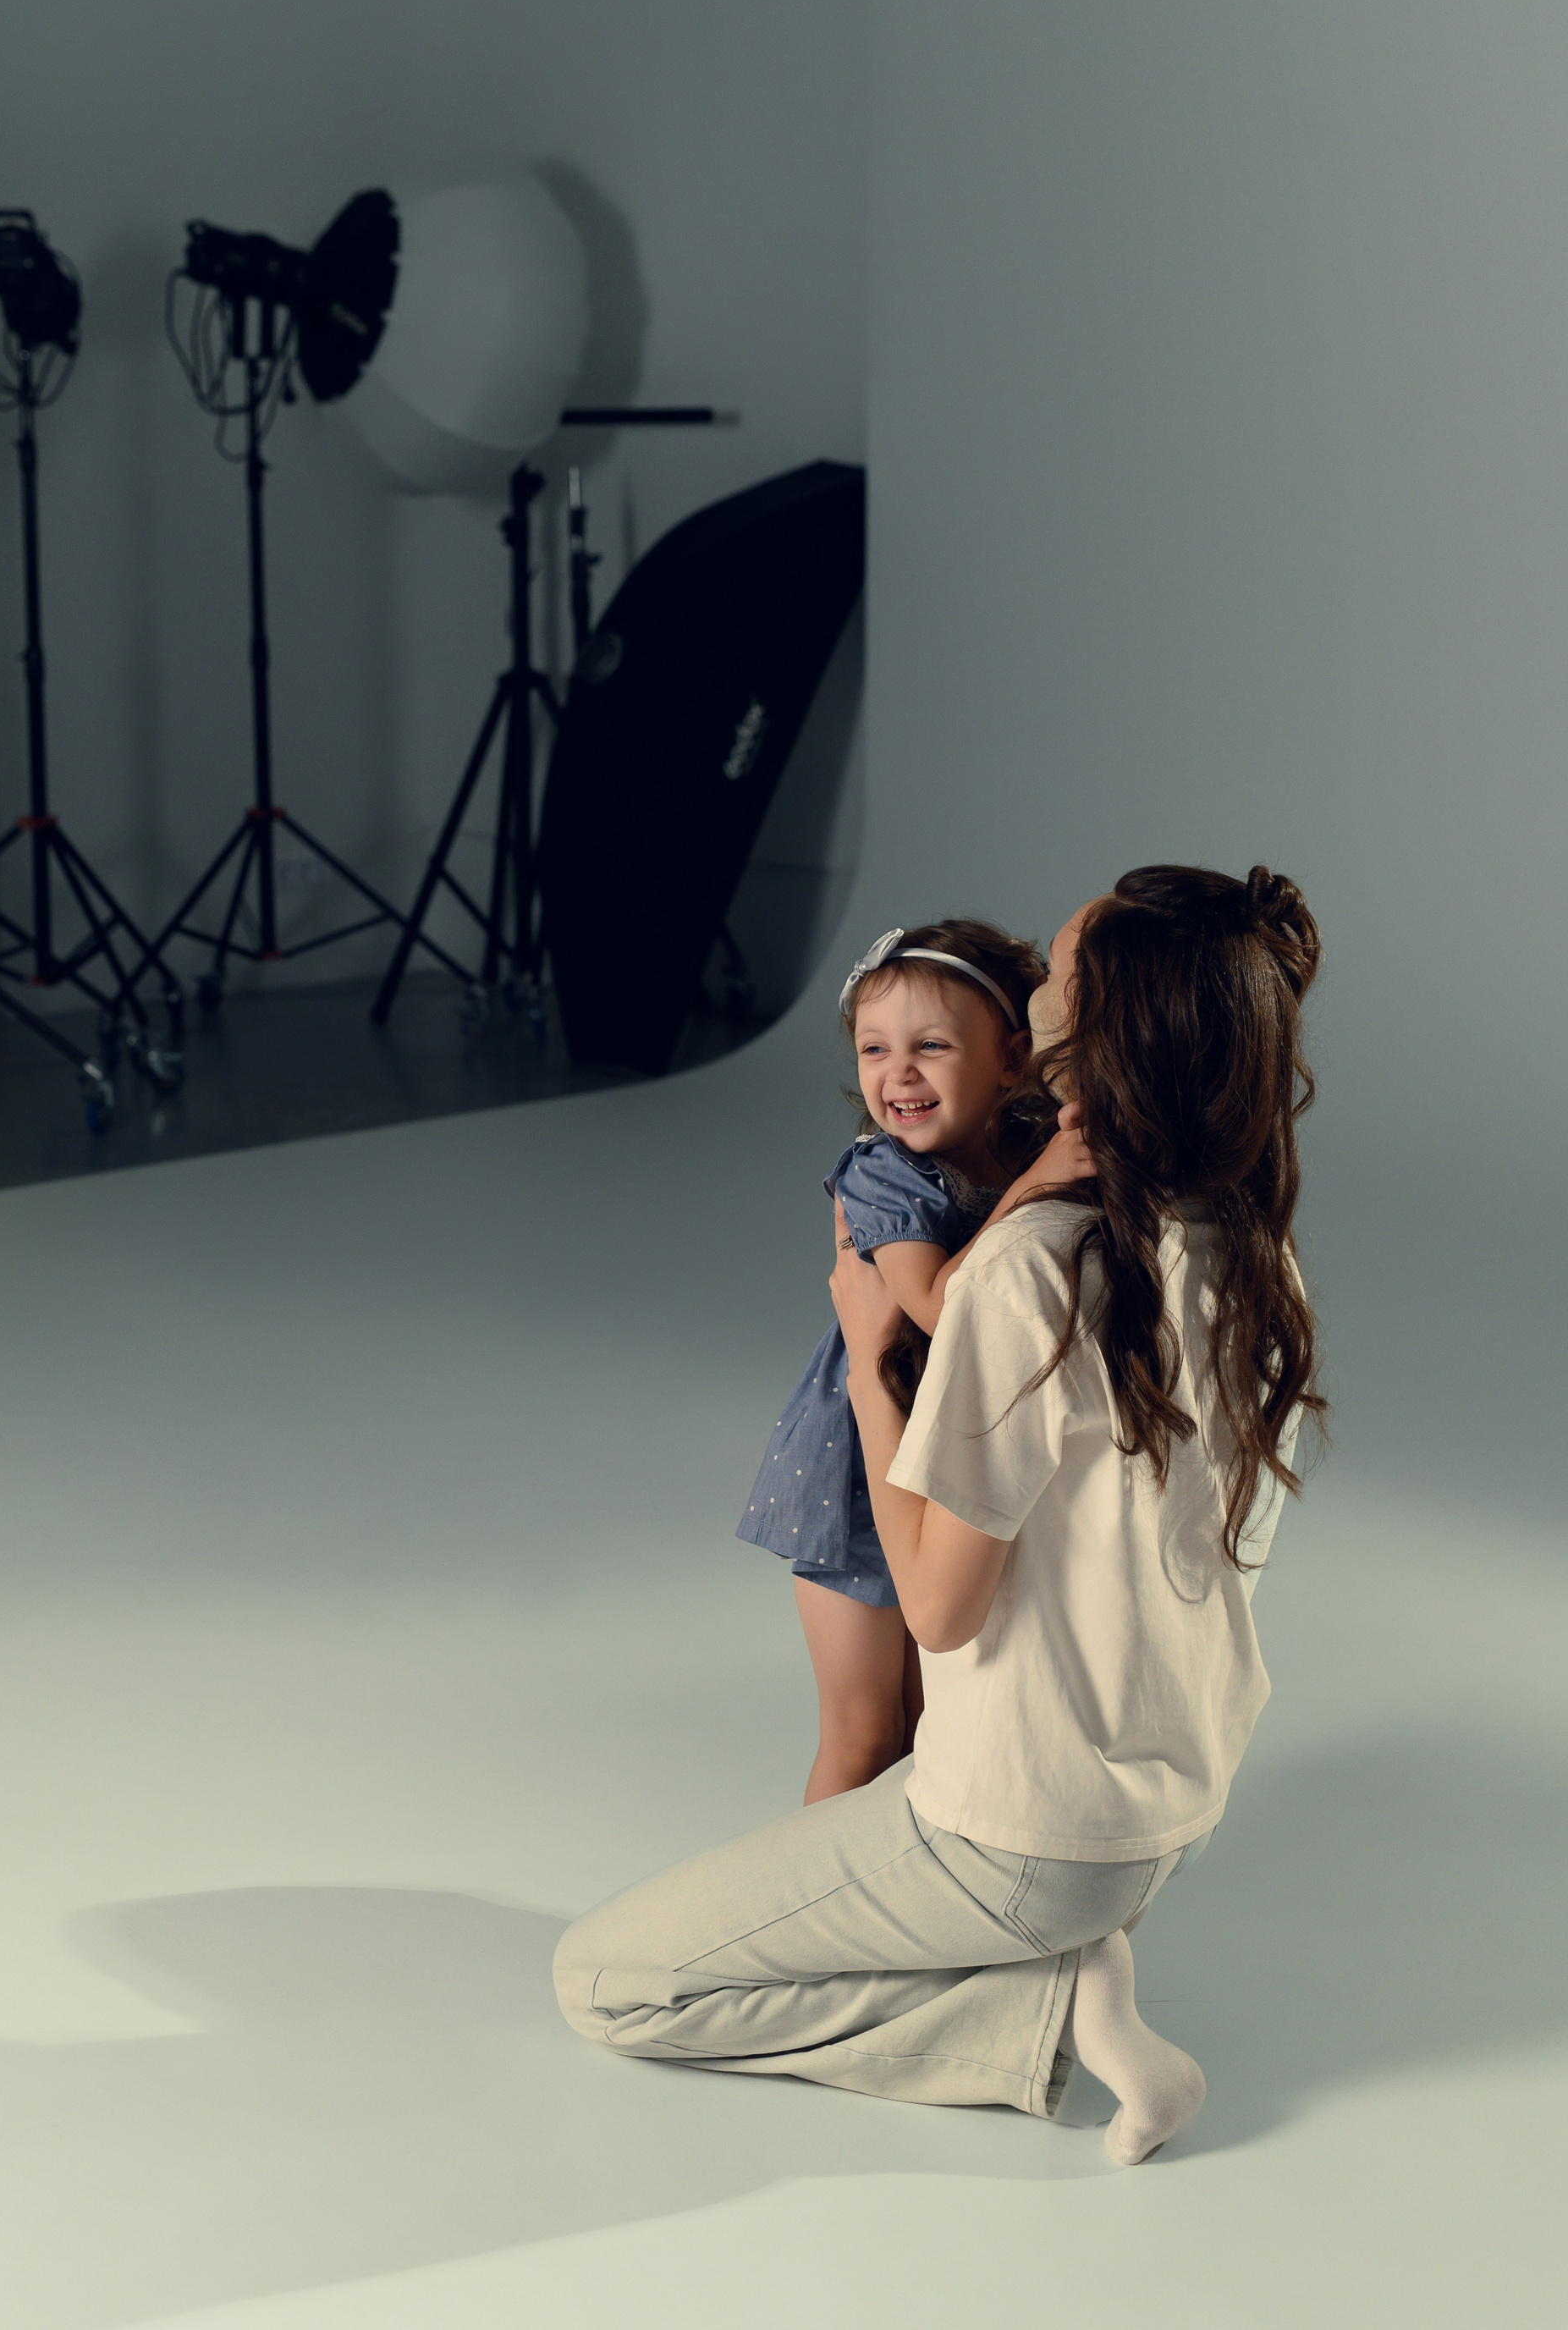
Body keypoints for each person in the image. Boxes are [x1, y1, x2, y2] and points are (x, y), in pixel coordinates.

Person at [557, 865, 1324, 2164]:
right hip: (1175, 1815)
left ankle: (1046, 2008)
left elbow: (935, 1607)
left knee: (604, 1982)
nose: (1036, 987)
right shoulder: (1260, 1254)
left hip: (1025, 1839)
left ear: (1091, 1031)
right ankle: (1065, 1961)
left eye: (1057, 975)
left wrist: (870, 1362)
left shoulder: (1027, 1271)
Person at [737, 918, 1093, 1802]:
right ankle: (814, 1882)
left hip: (955, 1458)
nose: (897, 1073)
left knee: (933, 1730)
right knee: (865, 1733)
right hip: (863, 1466)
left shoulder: (1030, 1136)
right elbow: (937, 1306)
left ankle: (897, 1876)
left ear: (1012, 1059)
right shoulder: (884, 1173)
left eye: (931, 1046)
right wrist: (1043, 1181)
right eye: (874, 1049)